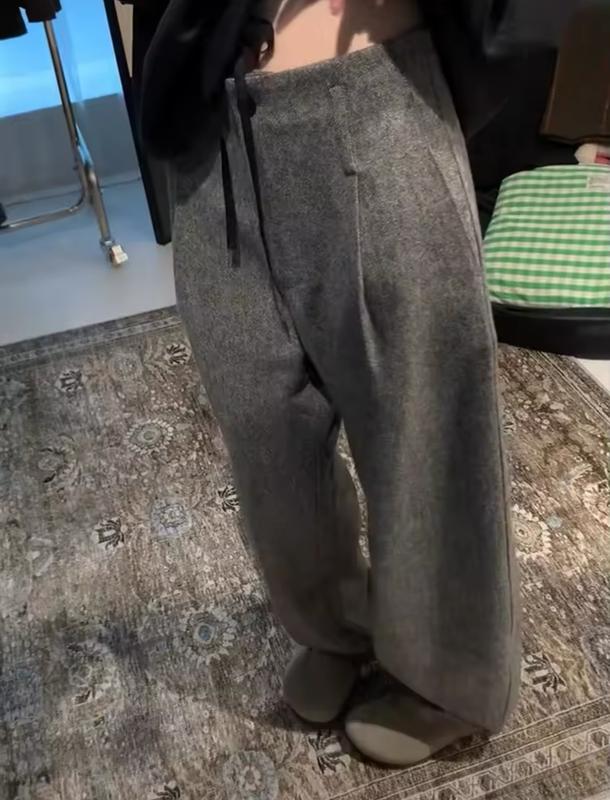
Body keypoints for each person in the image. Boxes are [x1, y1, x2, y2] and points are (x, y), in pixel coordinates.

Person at [171, 0, 520, 766]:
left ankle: (450, 680)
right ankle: (333, 622)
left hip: (372, 95)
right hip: (207, 124)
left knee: (423, 417)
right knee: (264, 428)